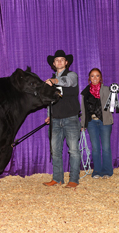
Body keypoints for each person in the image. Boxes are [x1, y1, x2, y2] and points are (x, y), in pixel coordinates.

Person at [43, 50, 81, 188]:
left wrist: (53, 81)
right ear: (53, 64)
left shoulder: (72, 75)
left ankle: (74, 179)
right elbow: (50, 100)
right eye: (56, 60)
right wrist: (49, 114)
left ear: (66, 62)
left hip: (70, 118)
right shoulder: (51, 80)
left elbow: (68, 82)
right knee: (55, 151)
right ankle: (57, 178)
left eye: (62, 59)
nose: (59, 62)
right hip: (55, 119)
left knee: (74, 151)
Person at [80, 68, 114, 179]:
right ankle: (97, 171)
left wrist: (113, 95)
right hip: (91, 123)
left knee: (106, 147)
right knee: (95, 148)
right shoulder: (85, 92)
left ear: (101, 78)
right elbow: (83, 110)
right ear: (89, 78)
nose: (95, 78)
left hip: (105, 122)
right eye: (92, 76)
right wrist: (83, 124)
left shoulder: (107, 90)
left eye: (97, 76)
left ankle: (107, 171)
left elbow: (111, 106)